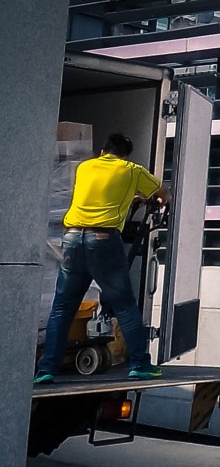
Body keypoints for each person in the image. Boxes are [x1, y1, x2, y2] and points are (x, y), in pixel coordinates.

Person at [35, 133, 170, 384]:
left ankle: (46, 369)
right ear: (126, 155)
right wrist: (156, 201)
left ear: (103, 151)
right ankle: (140, 364)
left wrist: (131, 197)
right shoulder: (132, 170)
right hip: (104, 241)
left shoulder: (85, 167)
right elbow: (163, 193)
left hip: (72, 239)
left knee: (62, 307)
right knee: (124, 304)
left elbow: (101, 193)